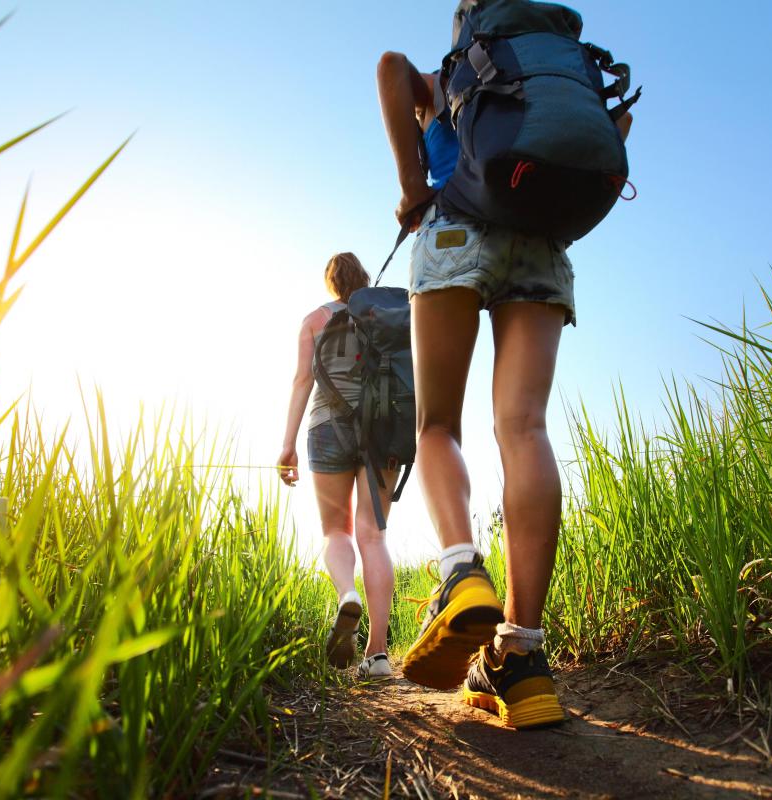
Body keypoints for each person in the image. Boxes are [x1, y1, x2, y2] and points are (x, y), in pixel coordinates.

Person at [377, 51, 632, 726]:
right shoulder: (566, 78)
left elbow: (389, 66)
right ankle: (520, 658)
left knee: (436, 425)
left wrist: (410, 185)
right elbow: (615, 139)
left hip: (456, 229)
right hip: (544, 246)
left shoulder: (460, 75)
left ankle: (461, 573)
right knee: (524, 428)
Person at [277, 253, 399, 679]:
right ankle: (378, 654)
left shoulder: (314, 319)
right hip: (383, 429)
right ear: (364, 279)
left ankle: (348, 593)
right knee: (374, 537)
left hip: (327, 427)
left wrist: (287, 445)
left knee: (336, 531)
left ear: (331, 283)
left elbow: (301, 381)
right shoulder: (387, 314)